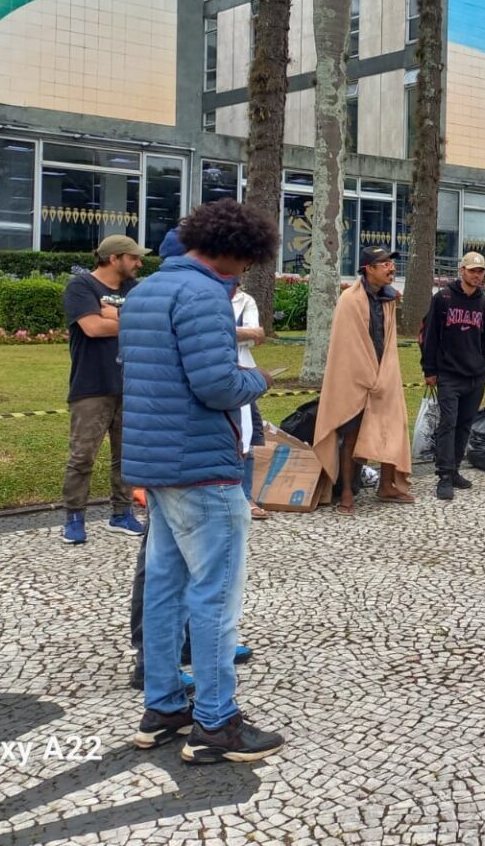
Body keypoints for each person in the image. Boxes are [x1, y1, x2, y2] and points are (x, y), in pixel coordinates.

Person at [121, 198, 282, 764]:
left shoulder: (143, 293)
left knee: (164, 587)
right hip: (201, 465)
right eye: (244, 263)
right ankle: (217, 723)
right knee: (215, 595)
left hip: (154, 463)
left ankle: (163, 705)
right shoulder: (205, 296)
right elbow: (216, 386)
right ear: (232, 253)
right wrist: (257, 379)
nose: (242, 274)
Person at [61, 233, 148, 545]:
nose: (139, 262)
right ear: (115, 258)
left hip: (131, 383)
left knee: (127, 454)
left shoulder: (133, 289)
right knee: (83, 455)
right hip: (92, 384)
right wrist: (128, 319)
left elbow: (150, 325)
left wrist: (113, 314)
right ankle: (74, 516)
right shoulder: (81, 287)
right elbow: (93, 328)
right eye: (134, 257)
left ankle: (121, 513)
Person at [315, 246, 414, 513]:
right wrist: (369, 375)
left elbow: (388, 341)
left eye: (391, 264)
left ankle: (386, 485)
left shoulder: (390, 299)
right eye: (384, 264)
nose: (391, 268)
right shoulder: (349, 300)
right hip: (355, 378)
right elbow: (348, 346)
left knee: (392, 427)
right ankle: (347, 491)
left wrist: (385, 374)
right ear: (369, 269)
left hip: (385, 374)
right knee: (351, 435)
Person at [422, 251, 485, 502]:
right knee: (448, 423)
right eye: (473, 270)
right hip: (449, 374)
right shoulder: (443, 299)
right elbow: (430, 335)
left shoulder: (484, 304)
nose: (477, 275)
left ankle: (454, 469)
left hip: (475, 375)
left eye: (481, 271)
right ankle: (443, 474)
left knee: (465, 424)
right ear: (461, 270)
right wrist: (429, 370)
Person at [231, 280, 268, 521]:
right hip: (218, 370)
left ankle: (246, 495)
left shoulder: (246, 301)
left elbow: (255, 335)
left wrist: (222, 331)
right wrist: (237, 331)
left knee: (246, 436)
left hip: (243, 369)